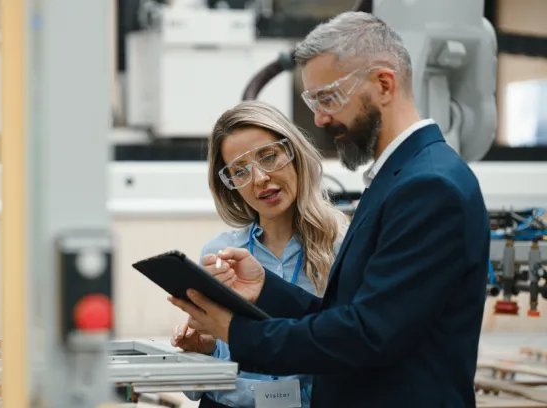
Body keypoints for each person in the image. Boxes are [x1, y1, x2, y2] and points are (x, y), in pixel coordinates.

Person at [168, 11, 490, 408]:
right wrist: (266, 289)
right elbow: (351, 314)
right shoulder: (398, 176)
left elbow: (367, 334)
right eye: (313, 101)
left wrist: (236, 331)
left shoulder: (428, 185)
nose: (319, 118)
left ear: (383, 84)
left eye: (327, 98)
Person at [170, 100, 348, 408]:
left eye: (268, 157)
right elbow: (198, 389)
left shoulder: (341, 246)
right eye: (239, 171)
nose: (259, 178)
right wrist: (201, 350)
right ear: (229, 186)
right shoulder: (219, 254)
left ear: (294, 154)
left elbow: (352, 351)